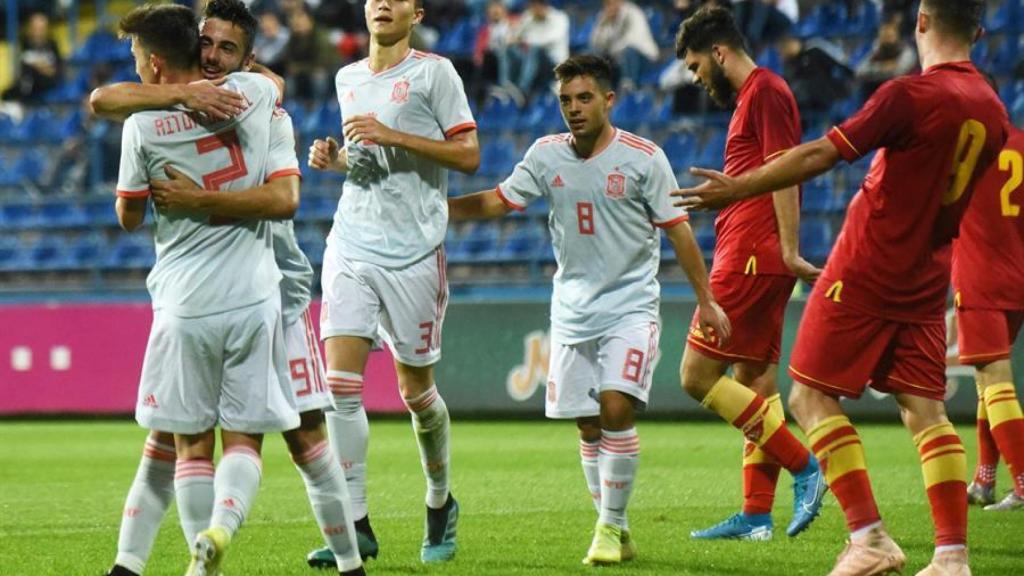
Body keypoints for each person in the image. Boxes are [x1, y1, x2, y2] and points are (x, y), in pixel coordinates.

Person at [674, 1, 1007, 573]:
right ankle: (952, 556)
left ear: (920, 22)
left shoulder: (909, 94)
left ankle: (867, 534)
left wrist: (738, 192)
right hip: (928, 272)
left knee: (805, 394)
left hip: (869, 261)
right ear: (978, 31)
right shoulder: (994, 109)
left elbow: (822, 152)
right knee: (926, 410)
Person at [97, 2, 364, 575]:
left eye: (227, 49)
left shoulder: (252, 101)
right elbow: (110, 98)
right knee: (178, 440)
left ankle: (348, 562)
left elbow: (285, 200)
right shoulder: (258, 98)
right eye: (206, 45)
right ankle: (153, 563)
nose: (214, 56)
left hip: (280, 295)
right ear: (192, 48)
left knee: (303, 439)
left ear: (248, 59)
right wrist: (182, 94)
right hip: (251, 294)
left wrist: (196, 199)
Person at [449, 54, 730, 566]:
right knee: (587, 424)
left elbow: (680, 232)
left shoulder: (644, 159)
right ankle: (615, 530)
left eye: (583, 98)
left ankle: (609, 526)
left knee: (617, 407)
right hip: (573, 309)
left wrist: (706, 300)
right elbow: (498, 200)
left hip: (630, 306)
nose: (573, 109)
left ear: (608, 100)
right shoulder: (545, 154)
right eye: (564, 101)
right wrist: (439, 212)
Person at [306, 0, 480, 566]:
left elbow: (469, 155)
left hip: (414, 252)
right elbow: (368, 163)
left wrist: (394, 135)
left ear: (416, 12)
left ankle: (439, 501)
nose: (382, 2)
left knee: (416, 395)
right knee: (340, 388)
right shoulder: (346, 77)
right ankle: (356, 525)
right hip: (352, 242)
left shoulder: (435, 73)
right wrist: (336, 163)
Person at [674, 5, 825, 542]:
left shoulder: (765, 91)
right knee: (754, 383)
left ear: (718, 52)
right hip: (755, 250)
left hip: (753, 256)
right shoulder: (755, 97)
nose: (696, 77)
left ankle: (805, 466)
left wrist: (786, 249)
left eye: (696, 66)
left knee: (695, 376)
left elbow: (787, 171)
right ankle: (757, 515)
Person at [952, 125, 1024, 512]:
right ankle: (984, 479)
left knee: (995, 381)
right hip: (1017, 276)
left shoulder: (968, 148)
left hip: (980, 277)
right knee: (987, 381)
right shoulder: (1021, 144)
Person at [505, 0, 570, 102]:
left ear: (545, 5)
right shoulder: (529, 17)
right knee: (508, 50)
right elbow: (513, 36)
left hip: (554, 64)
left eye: (538, 5)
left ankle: (523, 89)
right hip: (532, 63)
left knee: (535, 49)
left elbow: (550, 40)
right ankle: (508, 86)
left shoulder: (560, 18)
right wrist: (514, 37)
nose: (535, 9)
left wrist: (525, 40)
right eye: (532, 5)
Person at [590, 0, 660, 89]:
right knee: (598, 57)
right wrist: (602, 24)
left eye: (612, 3)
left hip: (644, 58)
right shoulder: (605, 17)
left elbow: (632, 42)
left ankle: (629, 91)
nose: (609, 7)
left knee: (628, 52)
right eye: (607, 4)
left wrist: (612, 50)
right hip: (620, 57)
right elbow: (595, 43)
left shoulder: (632, 13)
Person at [1, 12, 63, 103]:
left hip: (47, 83)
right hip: (28, 84)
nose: (39, 31)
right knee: (8, 93)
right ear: (30, 28)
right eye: (36, 28)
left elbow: (57, 69)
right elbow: (20, 67)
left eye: (41, 28)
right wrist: (40, 66)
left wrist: (41, 67)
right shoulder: (24, 44)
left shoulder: (52, 45)